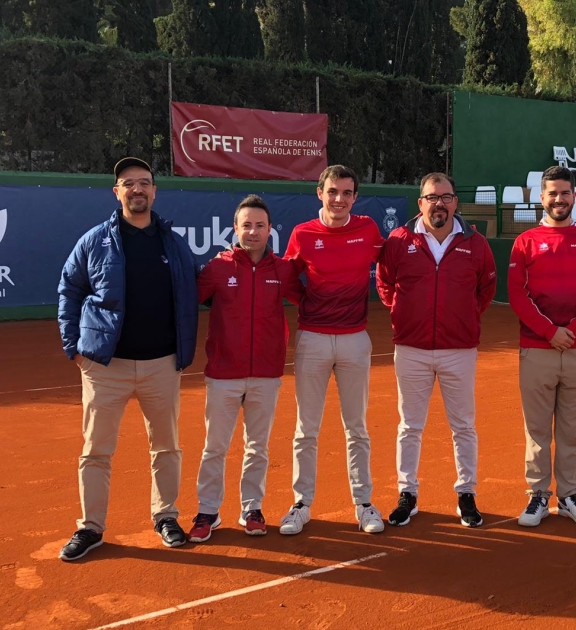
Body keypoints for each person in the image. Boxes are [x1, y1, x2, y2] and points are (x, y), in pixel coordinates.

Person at [57, 157, 199, 561]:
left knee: (166, 447)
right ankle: (91, 527)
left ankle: (166, 516)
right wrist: (75, 348)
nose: (137, 189)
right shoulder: (95, 240)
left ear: (154, 191)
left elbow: (197, 286)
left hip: (162, 364)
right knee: (96, 450)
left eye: (144, 183)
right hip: (106, 366)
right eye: (128, 183)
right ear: (116, 192)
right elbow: (69, 288)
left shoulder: (173, 242)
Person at [377, 172, 497, 528]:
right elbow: (384, 282)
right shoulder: (399, 240)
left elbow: (486, 289)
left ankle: (466, 494)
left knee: (463, 426)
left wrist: (464, 317)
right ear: (421, 203)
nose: (439, 203)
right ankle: (407, 493)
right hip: (410, 348)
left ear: (455, 202)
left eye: (445, 197)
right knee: (409, 426)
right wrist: (403, 311)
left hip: (458, 349)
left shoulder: (476, 243)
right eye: (432, 197)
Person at [187, 195, 303, 543]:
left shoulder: (282, 270)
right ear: (235, 229)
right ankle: (208, 510)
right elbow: (187, 300)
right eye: (246, 225)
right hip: (223, 373)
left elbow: (310, 298)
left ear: (270, 230)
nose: (253, 232)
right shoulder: (217, 268)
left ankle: (252, 508)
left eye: (260, 225)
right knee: (215, 447)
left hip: (266, 374)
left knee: (258, 447)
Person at [279, 165, 387, 535]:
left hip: (356, 339)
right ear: (320, 194)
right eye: (332, 192)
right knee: (306, 429)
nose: (339, 199)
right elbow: (290, 279)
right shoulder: (303, 234)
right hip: (312, 339)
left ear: (355, 197)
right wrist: (309, 304)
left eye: (346, 192)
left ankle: (364, 503)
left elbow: (386, 267)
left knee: (356, 427)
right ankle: (301, 504)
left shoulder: (369, 229)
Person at [507, 166, 576, 528]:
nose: (559, 199)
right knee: (537, 430)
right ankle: (538, 494)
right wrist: (550, 331)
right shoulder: (526, 242)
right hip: (537, 350)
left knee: (570, 432)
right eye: (552, 193)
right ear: (542, 198)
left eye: (565, 192)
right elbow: (517, 295)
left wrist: (575, 330)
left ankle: (568, 495)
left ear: (574, 197)